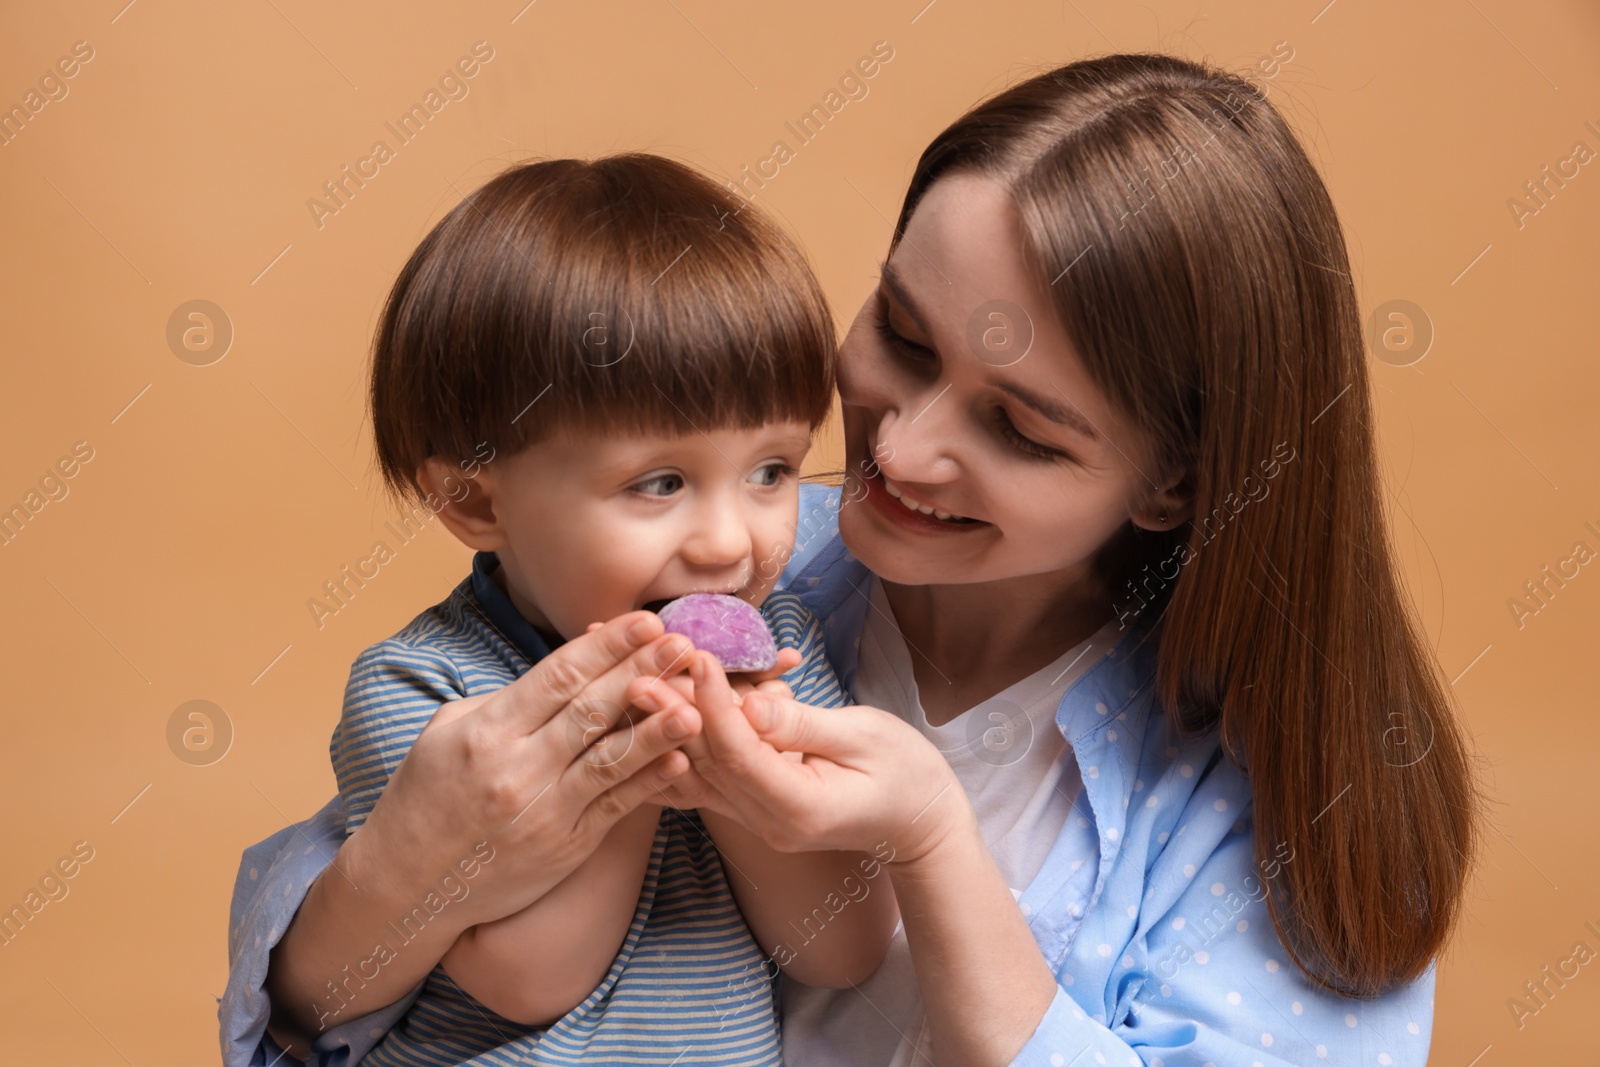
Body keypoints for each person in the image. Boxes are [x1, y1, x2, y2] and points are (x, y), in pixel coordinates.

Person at [220, 52, 1478, 1066]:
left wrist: (931, 836)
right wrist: (393, 874)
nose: (901, 449)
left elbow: (833, 939)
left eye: (1019, 427)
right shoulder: (736, 575)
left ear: (1173, 484)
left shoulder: (1294, 791)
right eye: (904, 336)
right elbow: (313, 1009)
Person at [224, 153, 900, 1065]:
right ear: (477, 502)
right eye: (660, 482)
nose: (730, 543)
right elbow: (529, 976)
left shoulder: (785, 650)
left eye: (771, 470)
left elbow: (839, 946)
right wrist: (638, 749)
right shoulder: (429, 693)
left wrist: (741, 765)